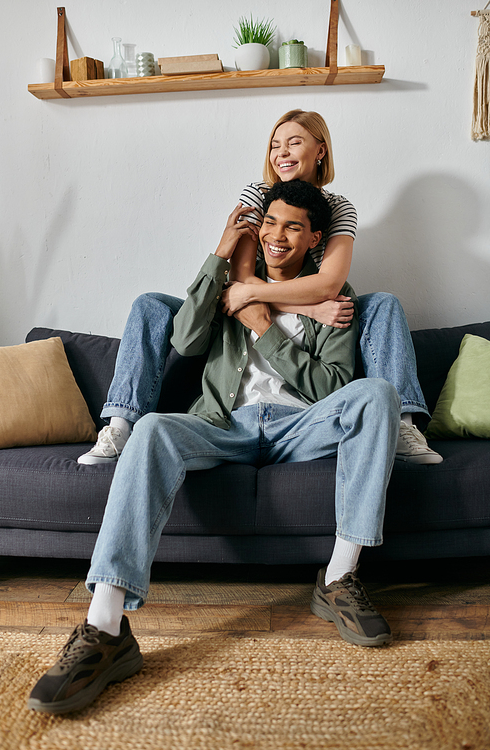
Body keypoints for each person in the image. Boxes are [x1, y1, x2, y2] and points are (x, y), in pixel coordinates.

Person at [29, 180, 401, 715]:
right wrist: (221, 255)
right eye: (270, 223)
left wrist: (265, 327)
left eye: (293, 226)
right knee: (154, 426)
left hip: (300, 428)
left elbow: (332, 389)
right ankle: (105, 624)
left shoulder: (332, 300)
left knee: (376, 394)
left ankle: (340, 577)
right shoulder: (230, 286)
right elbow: (182, 340)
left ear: (314, 237)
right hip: (223, 425)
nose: (277, 236)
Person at [77, 108, 441, 467]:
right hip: (241, 298)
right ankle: (121, 423)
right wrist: (306, 306)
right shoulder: (258, 192)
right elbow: (244, 280)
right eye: (274, 145)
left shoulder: (338, 207)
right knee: (150, 305)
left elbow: (329, 283)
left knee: (382, 304)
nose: (281, 152)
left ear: (320, 150)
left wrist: (308, 306)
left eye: (293, 142)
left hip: (284, 302)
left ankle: (404, 426)